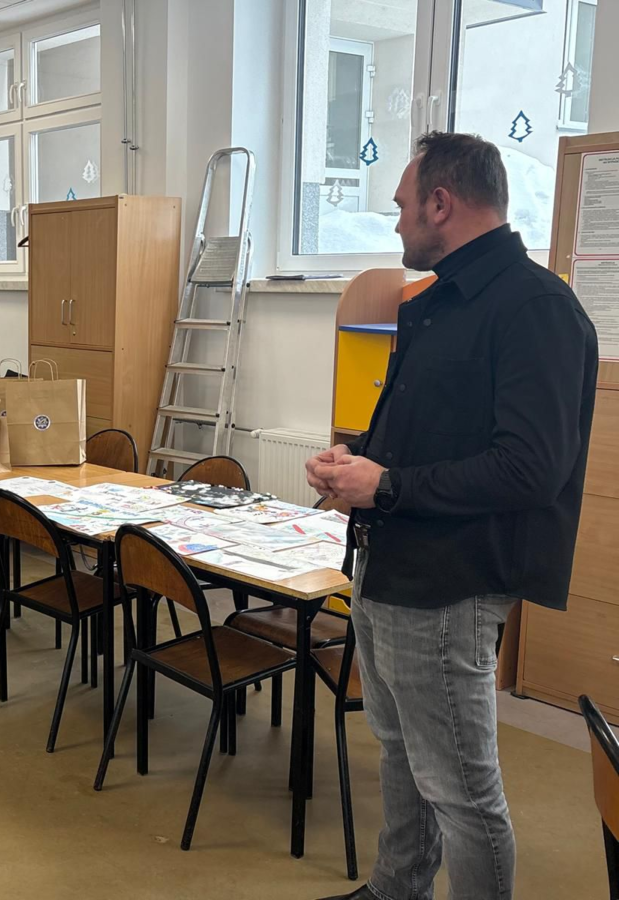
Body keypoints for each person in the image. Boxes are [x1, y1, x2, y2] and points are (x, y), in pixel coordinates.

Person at [306, 132, 598, 900]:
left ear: (441, 203)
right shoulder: (437, 301)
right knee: (403, 755)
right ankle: (396, 888)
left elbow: (532, 467)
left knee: (461, 789)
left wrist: (388, 486)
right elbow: (433, 430)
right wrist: (355, 458)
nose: (397, 221)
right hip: (390, 565)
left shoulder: (535, 308)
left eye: (402, 205)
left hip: (450, 583)